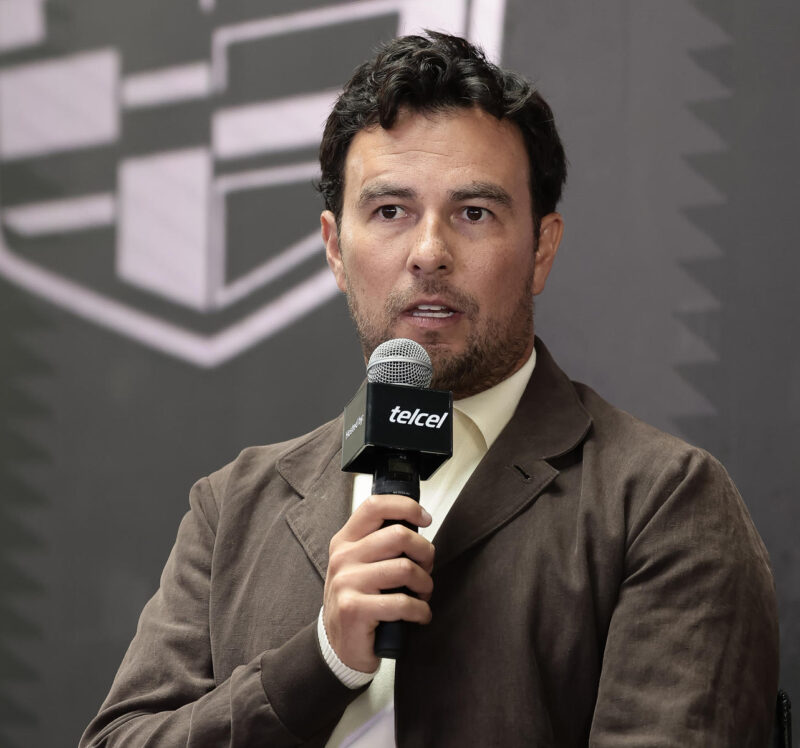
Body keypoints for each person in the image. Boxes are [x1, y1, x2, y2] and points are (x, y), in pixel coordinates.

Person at [81, 32, 779, 747]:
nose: (429, 253)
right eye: (391, 211)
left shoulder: (659, 500)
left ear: (541, 249)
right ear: (335, 249)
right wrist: (319, 661)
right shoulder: (233, 508)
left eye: (474, 213)